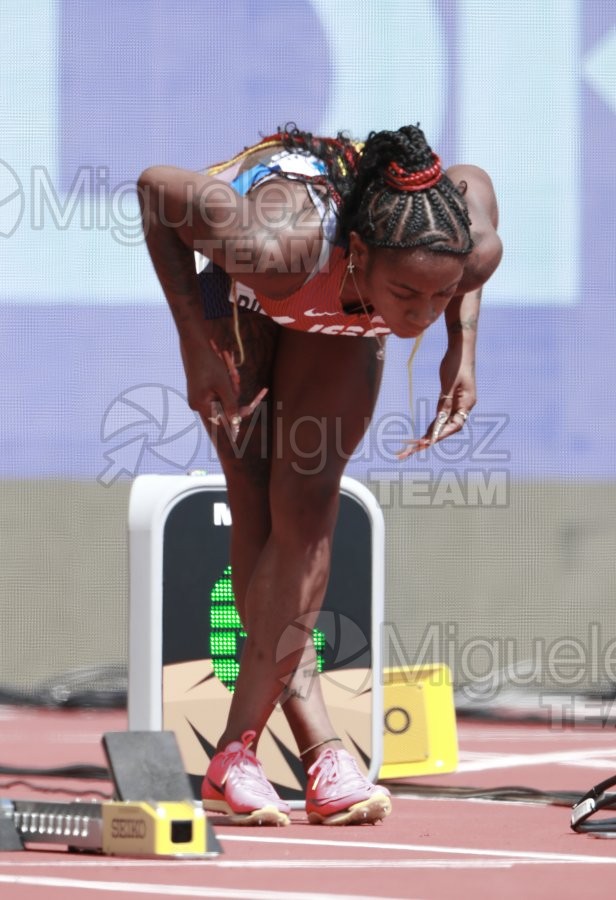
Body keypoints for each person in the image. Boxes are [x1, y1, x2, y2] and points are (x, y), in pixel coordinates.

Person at [138, 124, 502, 826]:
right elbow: (157, 189)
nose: (420, 317)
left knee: (305, 516)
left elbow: (475, 181)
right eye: (407, 294)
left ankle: (240, 754)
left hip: (338, 315)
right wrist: (195, 347)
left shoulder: (468, 254)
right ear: (360, 252)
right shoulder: (277, 250)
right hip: (251, 296)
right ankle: (315, 749)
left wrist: (462, 347)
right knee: (257, 508)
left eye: (439, 296)